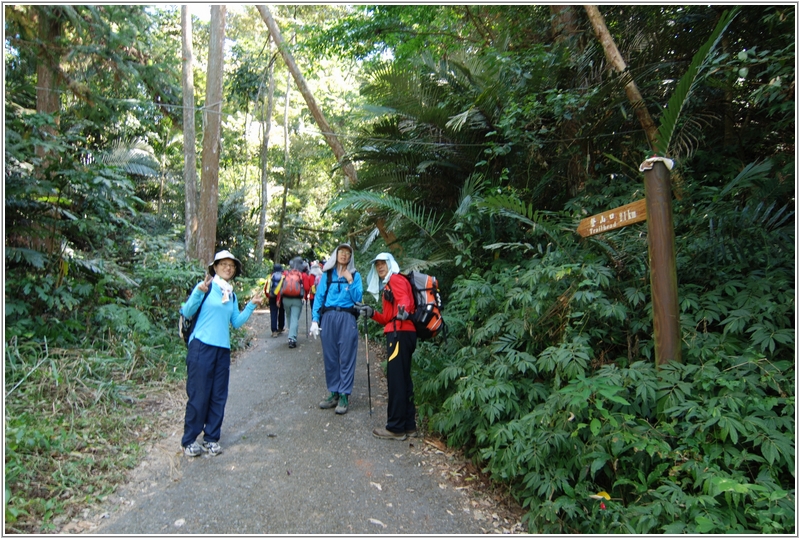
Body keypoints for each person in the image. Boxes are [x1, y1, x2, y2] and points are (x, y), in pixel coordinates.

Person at [179, 250, 264, 457]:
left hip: (222, 350)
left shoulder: (230, 294)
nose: (228, 268)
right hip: (201, 346)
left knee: (218, 395)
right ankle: (189, 439)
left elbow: (235, 323)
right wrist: (198, 292)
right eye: (224, 264)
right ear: (215, 267)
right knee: (199, 394)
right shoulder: (206, 288)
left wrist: (251, 305)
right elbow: (187, 311)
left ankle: (211, 438)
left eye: (231, 265)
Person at [357, 253, 417, 440]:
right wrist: (372, 313)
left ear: (391, 264)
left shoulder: (396, 280)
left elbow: (404, 302)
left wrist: (403, 311)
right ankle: (409, 426)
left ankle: (395, 428)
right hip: (401, 331)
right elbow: (387, 318)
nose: (380, 267)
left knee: (396, 381)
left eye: (383, 264)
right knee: (403, 379)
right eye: (378, 265)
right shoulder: (389, 284)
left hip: (399, 333)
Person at [310, 244, 363, 414]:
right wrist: (315, 320)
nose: (344, 255)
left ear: (350, 257)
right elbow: (319, 297)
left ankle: (344, 395)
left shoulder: (355, 275)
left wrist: (349, 279)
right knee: (330, 356)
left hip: (347, 318)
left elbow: (358, 298)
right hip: (329, 318)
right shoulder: (327, 274)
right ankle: (333, 392)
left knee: (347, 357)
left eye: (347, 253)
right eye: (341, 252)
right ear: (336, 254)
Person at [278, 256, 306, 349]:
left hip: (285, 299)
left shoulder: (286, 273)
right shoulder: (302, 275)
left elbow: (281, 287)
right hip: (297, 299)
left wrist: (278, 299)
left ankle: (291, 333)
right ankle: (292, 338)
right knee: (294, 318)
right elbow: (306, 288)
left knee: (289, 316)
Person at [267, 263, 286, 337]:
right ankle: (281, 327)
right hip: (281, 296)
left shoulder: (270, 276)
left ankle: (274, 330)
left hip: (272, 296)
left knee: (273, 313)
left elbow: (267, 287)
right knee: (281, 311)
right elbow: (283, 288)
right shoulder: (283, 277)